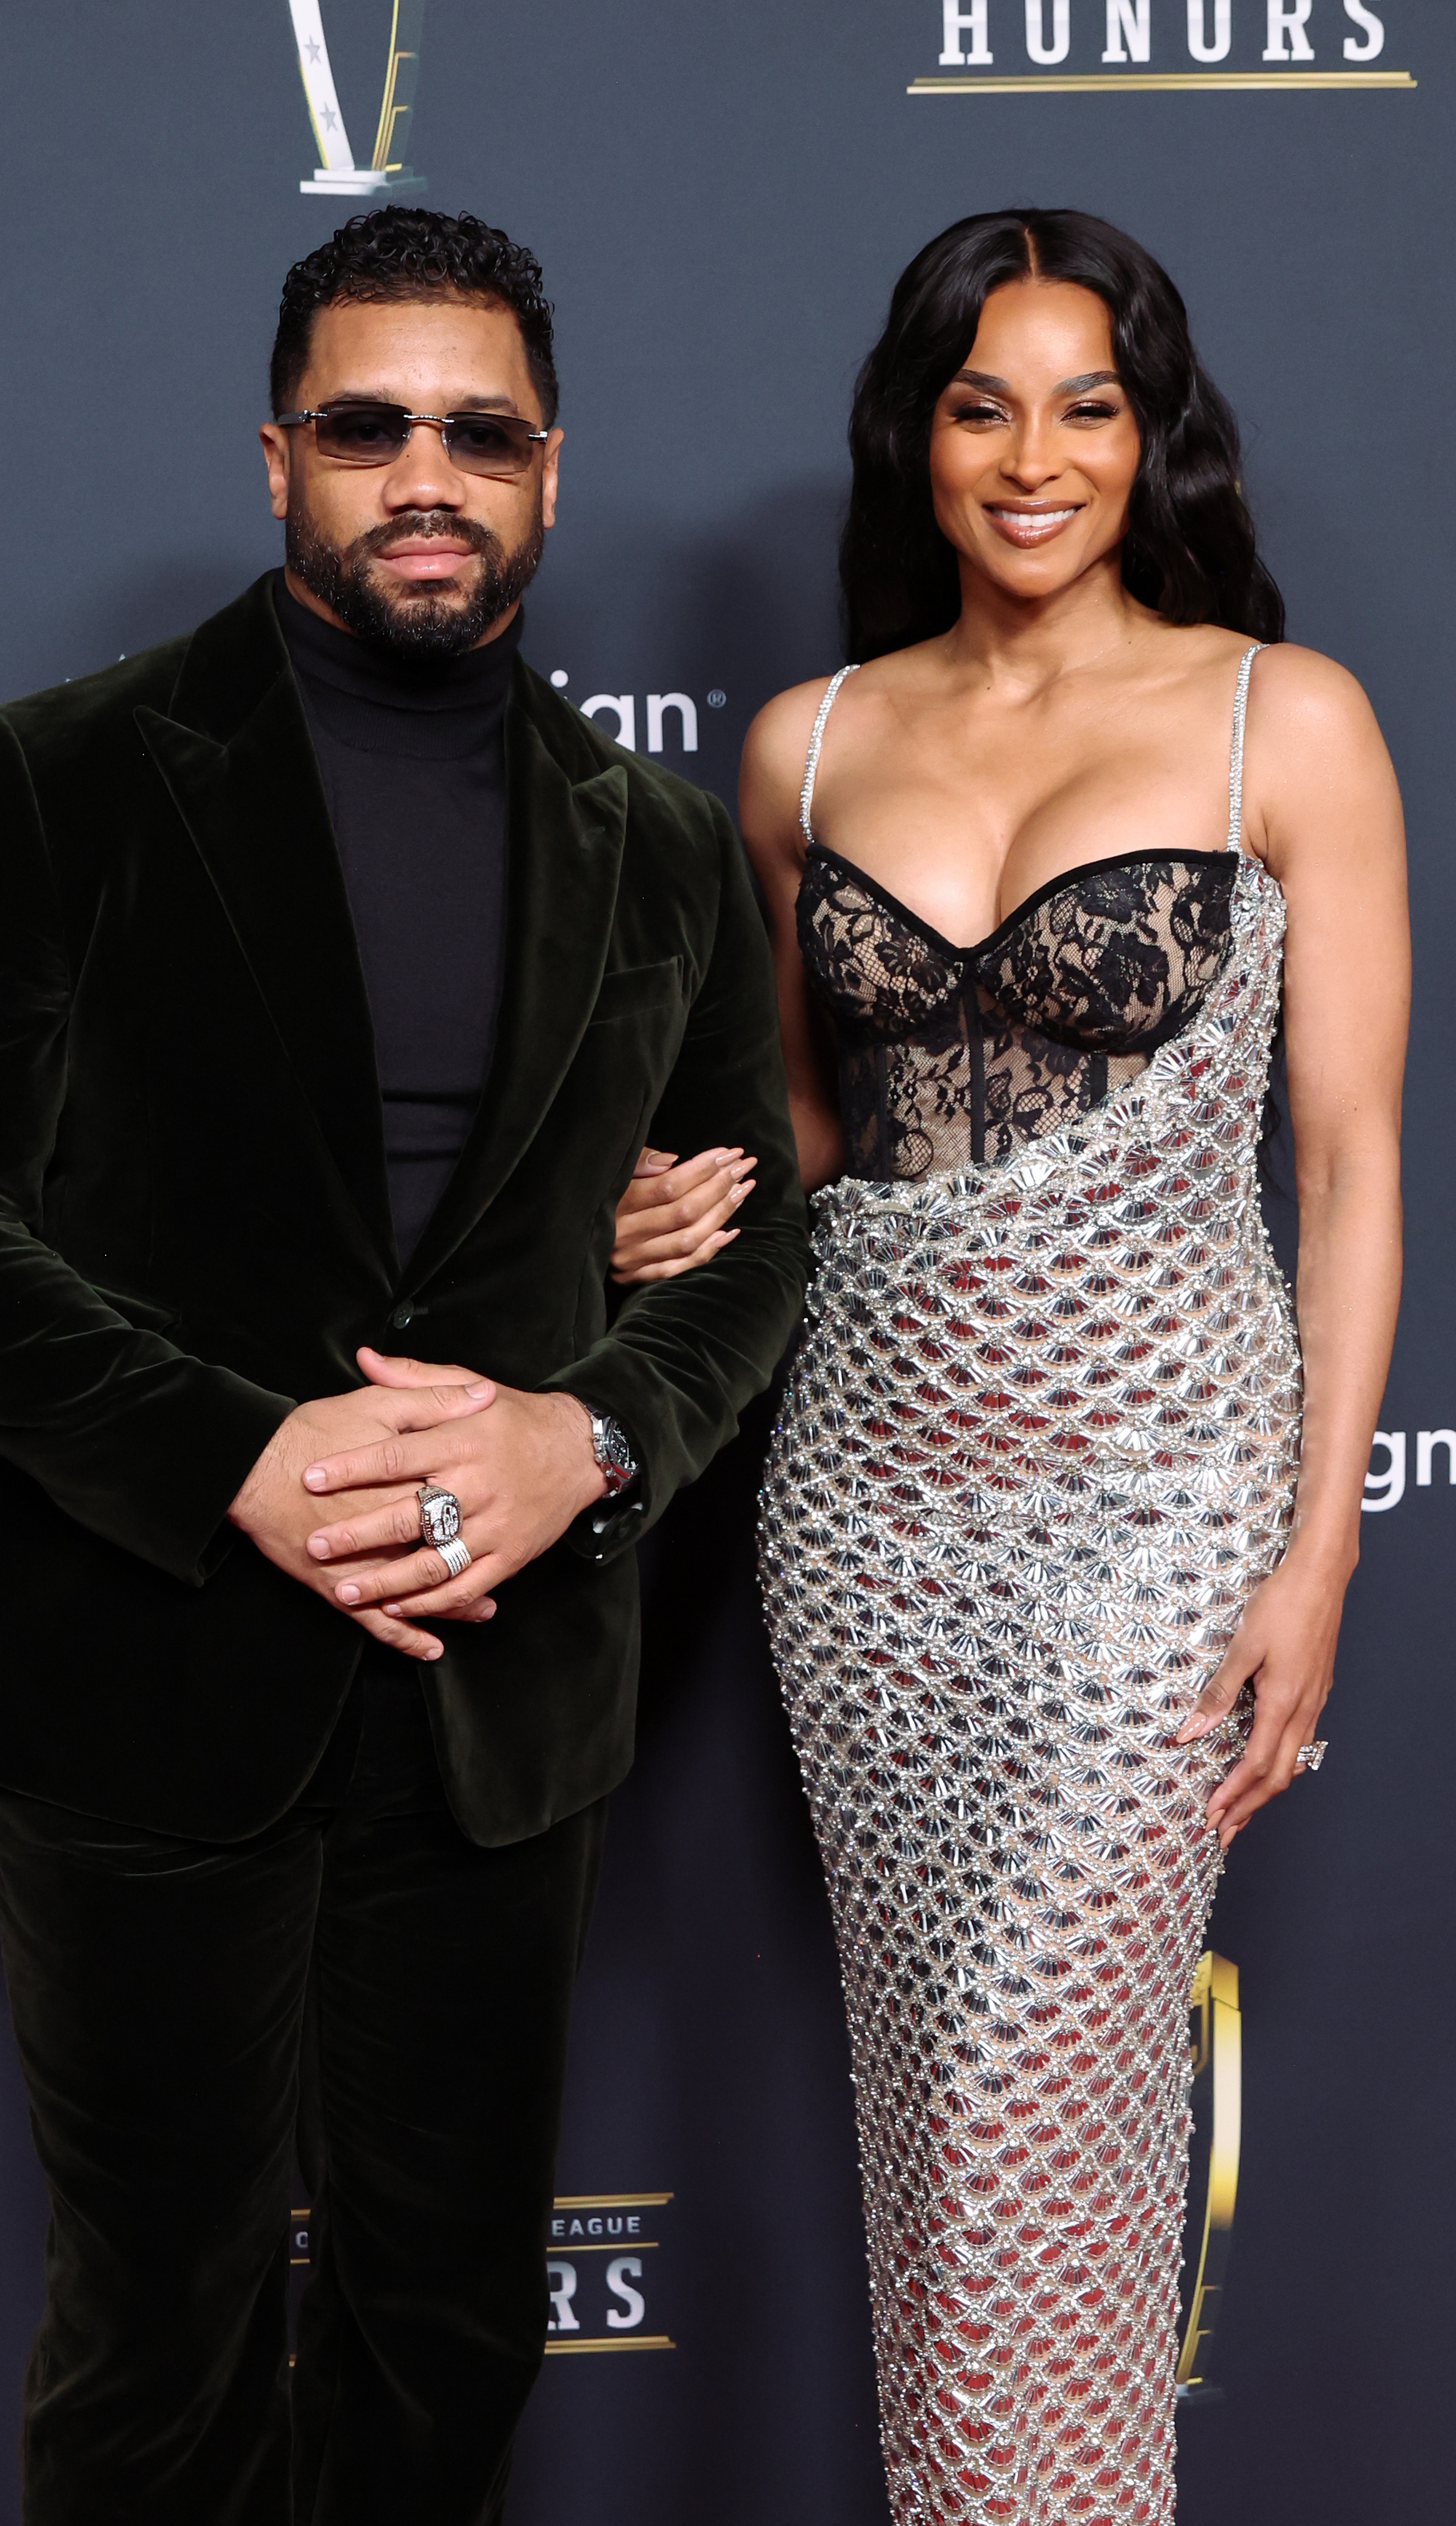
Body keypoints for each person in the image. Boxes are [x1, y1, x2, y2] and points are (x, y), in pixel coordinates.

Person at [0, 208, 807, 2525]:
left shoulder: (661, 850)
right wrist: (239, 1459)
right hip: (147, 1674)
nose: (425, 473)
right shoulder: (60, 776)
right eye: (369, 428)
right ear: (280, 461)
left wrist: (595, 1437)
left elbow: (751, 1255)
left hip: (505, 1697)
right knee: (155, 2335)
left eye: (481, 432)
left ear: (554, 475)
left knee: (446, 2339)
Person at [738, 211, 1407, 2521]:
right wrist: (680, 1204)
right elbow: (813, 1138)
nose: (1036, 457)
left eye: (1089, 404)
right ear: (917, 434)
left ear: (1156, 434)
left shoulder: (1276, 717)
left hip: (1157, 1524)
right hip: (864, 1529)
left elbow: (1348, 1154)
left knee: (1034, 2112)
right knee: (940, 2151)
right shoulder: (804, 747)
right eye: (983, 401)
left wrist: (1319, 1552)